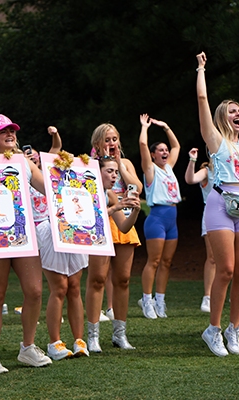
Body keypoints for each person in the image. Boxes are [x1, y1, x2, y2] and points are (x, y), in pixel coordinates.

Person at [196, 50, 239, 357]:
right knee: (225, 269)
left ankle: (233, 328)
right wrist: (201, 69)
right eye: (233, 111)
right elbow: (202, 101)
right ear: (223, 116)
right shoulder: (215, 139)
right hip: (220, 204)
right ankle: (213, 330)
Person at [0, 114, 52, 375]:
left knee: (35, 291)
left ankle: (27, 348)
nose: (10, 134)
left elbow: (48, 188)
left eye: (13, 131)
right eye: (4, 131)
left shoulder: (24, 162)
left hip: (23, 235)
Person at [24, 126, 90, 361]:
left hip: (70, 226)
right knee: (59, 287)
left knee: (74, 286)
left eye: (34, 154)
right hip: (45, 230)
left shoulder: (55, 172)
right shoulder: (25, 176)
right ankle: (55, 342)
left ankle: (80, 340)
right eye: (27, 155)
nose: (32, 156)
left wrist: (54, 134)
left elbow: (57, 148)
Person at [88, 123, 143, 339]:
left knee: (123, 279)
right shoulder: (90, 164)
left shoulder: (125, 163)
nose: (112, 143)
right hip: (102, 220)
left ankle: (120, 335)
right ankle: (93, 336)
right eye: (107, 139)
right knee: (98, 279)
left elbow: (136, 188)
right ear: (97, 143)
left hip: (124, 219)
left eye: (114, 139)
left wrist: (119, 165)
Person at [137, 114, 181, 318]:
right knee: (153, 261)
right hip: (156, 219)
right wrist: (145, 127)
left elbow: (177, 147)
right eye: (160, 150)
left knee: (166, 262)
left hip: (172, 218)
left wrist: (166, 127)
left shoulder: (169, 168)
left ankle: (160, 300)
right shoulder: (151, 170)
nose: (165, 152)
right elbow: (143, 144)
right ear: (153, 155)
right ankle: (147, 300)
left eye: (165, 150)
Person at [184, 150, 214, 313]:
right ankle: (207, 297)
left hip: (232, 215)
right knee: (213, 258)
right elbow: (190, 179)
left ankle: (237, 297)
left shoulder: (233, 167)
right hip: (211, 215)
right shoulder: (207, 170)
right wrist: (192, 160)